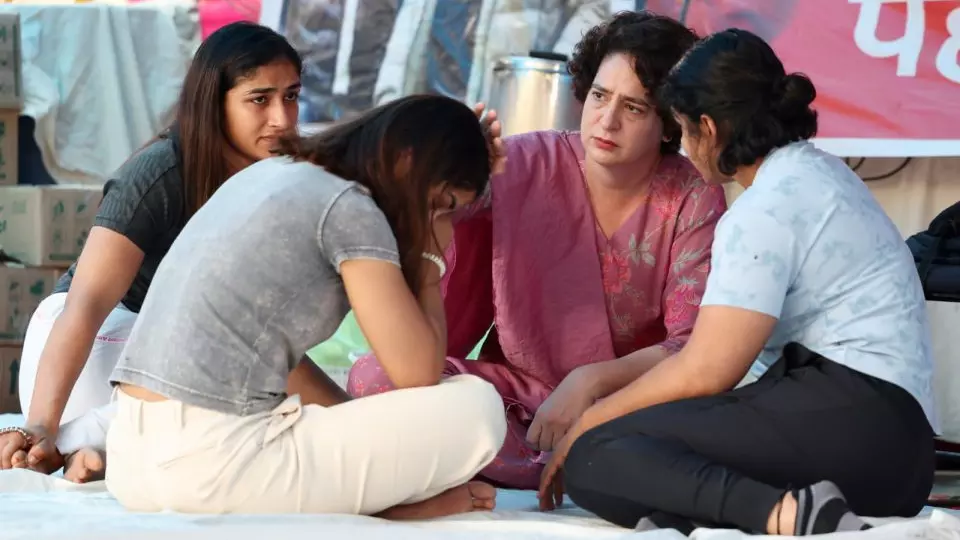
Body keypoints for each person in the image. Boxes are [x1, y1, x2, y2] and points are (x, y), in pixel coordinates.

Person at [538, 28, 938, 536]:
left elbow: (707, 370)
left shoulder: (767, 204)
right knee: (642, 448)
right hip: (895, 454)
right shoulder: (821, 174)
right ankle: (775, 511)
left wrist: (589, 423)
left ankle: (788, 516)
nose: (683, 146)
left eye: (682, 130)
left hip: (859, 421)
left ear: (708, 128)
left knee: (599, 455)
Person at [348, 10, 728, 490]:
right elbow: (442, 216)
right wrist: (458, 166)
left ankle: (515, 459)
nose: (607, 120)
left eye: (634, 108)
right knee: (373, 377)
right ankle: (557, 464)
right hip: (514, 401)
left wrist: (589, 381)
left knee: (662, 438)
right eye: (599, 96)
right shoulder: (524, 162)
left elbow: (691, 346)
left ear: (670, 123)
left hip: (623, 405)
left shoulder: (693, 197)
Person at [103, 94, 507, 518]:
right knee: (479, 408)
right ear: (407, 162)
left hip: (133, 460)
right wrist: (429, 256)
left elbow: (279, 362)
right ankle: (382, 512)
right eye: (444, 207)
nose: (445, 223)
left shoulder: (278, 172)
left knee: (377, 418)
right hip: (212, 466)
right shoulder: (350, 206)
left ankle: (364, 499)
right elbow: (416, 372)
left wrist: (378, 447)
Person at [0, 22, 303, 483]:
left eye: (292, 96)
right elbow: (86, 307)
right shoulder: (159, 174)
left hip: (164, 373)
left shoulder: (281, 181)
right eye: (259, 99)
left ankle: (103, 451)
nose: (281, 118)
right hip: (90, 354)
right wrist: (40, 425)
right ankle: (70, 439)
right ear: (213, 104)